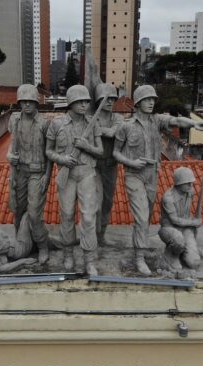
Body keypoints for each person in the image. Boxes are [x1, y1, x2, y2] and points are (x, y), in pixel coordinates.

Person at [113, 85, 203, 275]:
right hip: (134, 175)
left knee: (146, 218)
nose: (151, 103)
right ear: (138, 102)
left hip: (152, 175)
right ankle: (139, 258)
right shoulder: (126, 126)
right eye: (147, 100)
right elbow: (115, 152)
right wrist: (131, 161)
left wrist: (193, 124)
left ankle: (149, 250)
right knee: (141, 218)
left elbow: (174, 120)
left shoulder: (157, 121)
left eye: (153, 100)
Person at [46, 85, 103, 276]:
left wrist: (87, 146)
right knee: (67, 215)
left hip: (87, 174)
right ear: (71, 103)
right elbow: (48, 150)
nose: (84, 105)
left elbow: (101, 151)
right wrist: (62, 159)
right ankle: (68, 253)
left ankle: (89, 260)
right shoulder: (57, 124)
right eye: (80, 101)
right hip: (67, 175)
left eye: (86, 101)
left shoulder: (92, 123)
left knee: (88, 218)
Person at [7, 84, 52, 264]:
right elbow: (12, 145)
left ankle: (42, 246)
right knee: (17, 210)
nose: (26, 105)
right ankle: (22, 244)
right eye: (23, 101)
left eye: (30, 101)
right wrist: (9, 155)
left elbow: (49, 153)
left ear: (36, 103)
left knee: (34, 214)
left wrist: (47, 176)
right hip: (19, 172)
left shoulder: (44, 123)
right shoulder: (14, 120)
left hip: (37, 173)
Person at [94, 83, 124, 246]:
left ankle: (101, 236)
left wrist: (99, 130)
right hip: (94, 165)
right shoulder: (92, 117)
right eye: (106, 98)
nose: (110, 101)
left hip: (111, 165)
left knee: (107, 202)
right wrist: (104, 131)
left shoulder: (118, 118)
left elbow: (115, 133)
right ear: (99, 100)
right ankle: (93, 234)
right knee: (96, 203)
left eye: (113, 98)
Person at [158, 167, 202, 271]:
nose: (191, 185)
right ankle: (171, 255)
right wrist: (193, 222)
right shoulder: (168, 198)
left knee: (194, 263)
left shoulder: (190, 192)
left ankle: (185, 251)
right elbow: (174, 220)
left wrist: (193, 222)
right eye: (188, 183)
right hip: (169, 228)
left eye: (191, 182)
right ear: (178, 183)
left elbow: (188, 212)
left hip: (185, 228)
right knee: (178, 240)